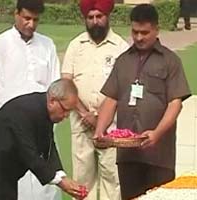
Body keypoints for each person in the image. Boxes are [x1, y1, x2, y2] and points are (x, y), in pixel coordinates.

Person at [94, 4, 191, 200]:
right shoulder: (122, 61)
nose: (138, 37)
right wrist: (99, 130)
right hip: (128, 156)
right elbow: (111, 99)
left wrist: (157, 134)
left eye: (144, 32)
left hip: (159, 155)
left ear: (156, 29)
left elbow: (175, 103)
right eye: (135, 32)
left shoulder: (170, 61)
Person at [0, 0, 61, 199]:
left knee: (43, 186)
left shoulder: (47, 45)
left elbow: (55, 88)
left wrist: (42, 122)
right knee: (6, 185)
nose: (31, 24)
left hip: (41, 128)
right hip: (7, 129)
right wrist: (18, 124)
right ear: (16, 14)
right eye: (27, 18)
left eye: (35, 20)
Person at [0, 79, 88, 200]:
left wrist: (61, 175)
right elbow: (29, 153)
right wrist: (60, 182)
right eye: (65, 110)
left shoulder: (42, 110)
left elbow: (47, 145)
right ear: (52, 101)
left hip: (5, 175)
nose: (66, 116)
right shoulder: (25, 112)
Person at [61, 0, 129, 199]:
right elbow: (67, 83)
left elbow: (123, 88)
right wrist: (85, 114)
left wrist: (100, 117)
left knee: (112, 179)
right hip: (81, 123)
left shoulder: (121, 47)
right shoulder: (76, 45)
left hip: (111, 126)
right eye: (90, 18)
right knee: (82, 181)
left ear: (108, 17)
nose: (95, 21)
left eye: (99, 16)